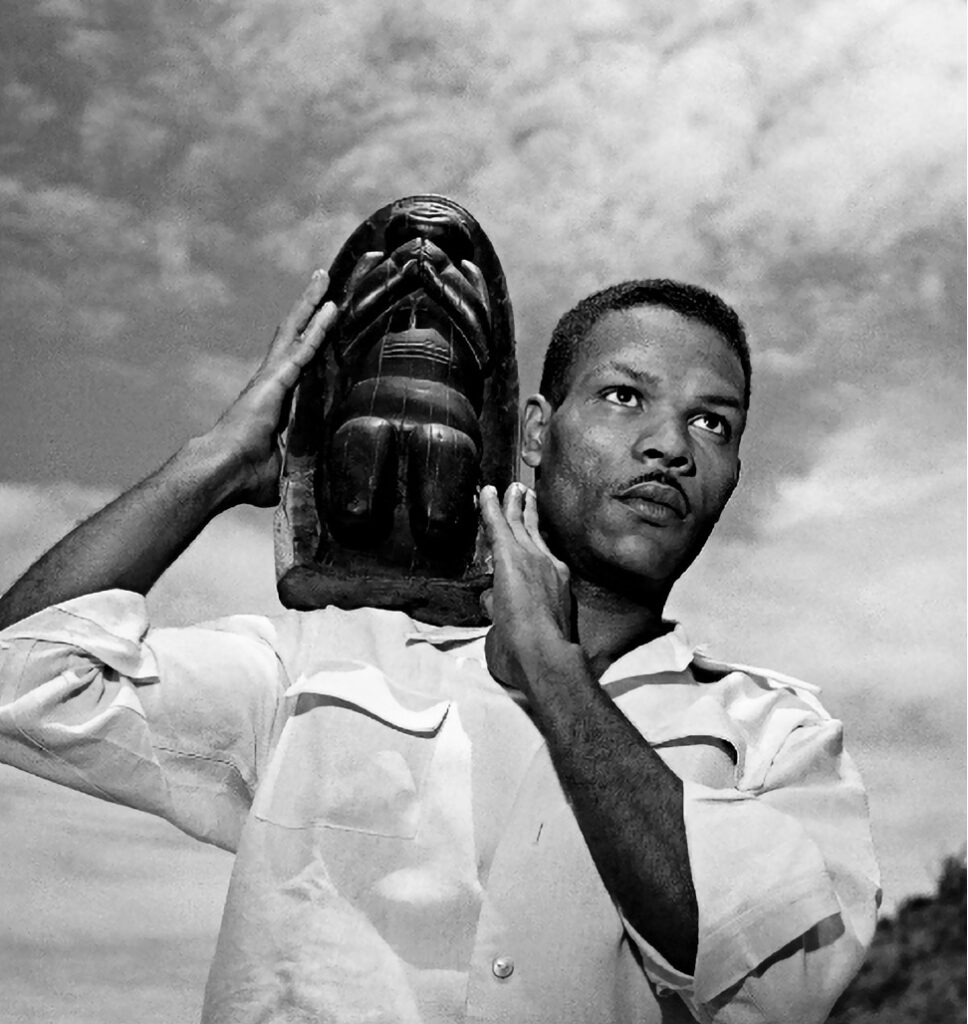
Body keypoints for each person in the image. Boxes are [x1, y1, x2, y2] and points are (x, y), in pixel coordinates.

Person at [0, 269, 879, 1023]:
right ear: (536, 431)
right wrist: (220, 464)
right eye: (624, 396)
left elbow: (785, 989)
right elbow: (23, 677)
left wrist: (551, 676)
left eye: (712, 424)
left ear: (733, 473)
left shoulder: (779, 737)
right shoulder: (325, 667)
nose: (667, 445)